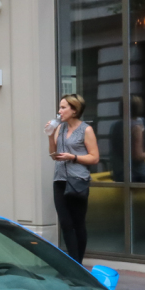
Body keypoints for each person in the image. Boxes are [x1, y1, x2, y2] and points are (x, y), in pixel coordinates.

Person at [45, 94, 99, 263]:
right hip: (60, 180)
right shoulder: (60, 128)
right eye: (60, 107)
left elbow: (94, 157)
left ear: (74, 110)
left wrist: (73, 157)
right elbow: (53, 155)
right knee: (65, 224)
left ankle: (78, 263)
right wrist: (49, 134)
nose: (59, 111)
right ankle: (73, 263)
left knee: (78, 223)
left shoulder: (86, 130)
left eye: (63, 107)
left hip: (78, 181)